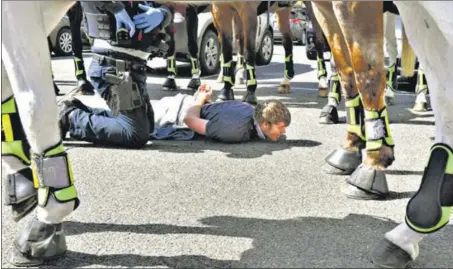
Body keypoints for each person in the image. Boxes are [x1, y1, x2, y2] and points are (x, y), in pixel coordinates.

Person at [58, 1, 172, 149]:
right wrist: (116, 8)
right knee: (135, 134)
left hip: (133, 69)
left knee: (148, 127)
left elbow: (169, 6)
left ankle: (73, 110)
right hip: (113, 67)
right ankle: (69, 118)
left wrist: (163, 14)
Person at [183, 84, 291, 143]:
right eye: (280, 127)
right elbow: (189, 119)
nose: (284, 131)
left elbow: (221, 113)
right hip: (173, 114)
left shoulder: (249, 109)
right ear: (265, 124)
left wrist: (204, 100)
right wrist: (201, 98)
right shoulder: (234, 130)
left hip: (188, 104)